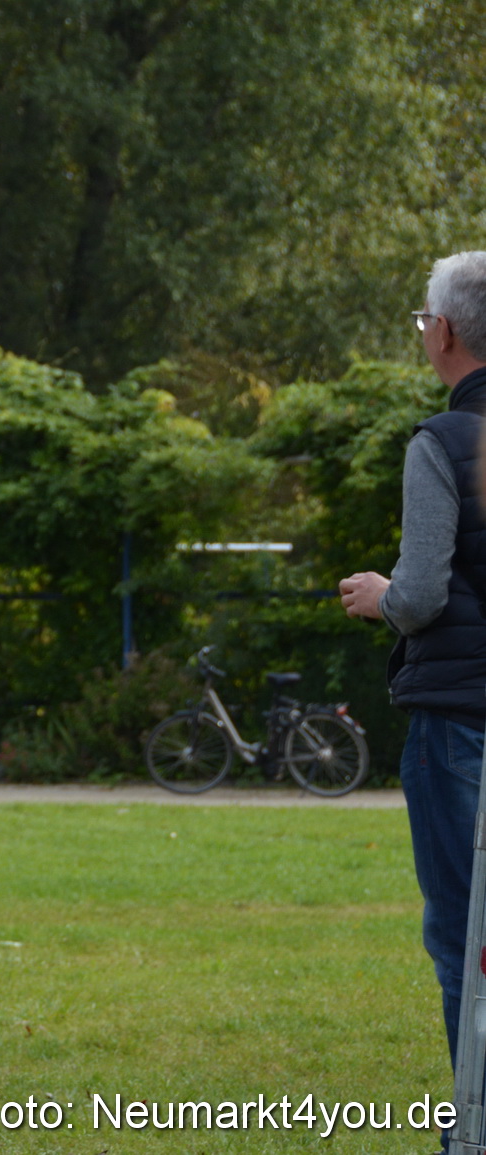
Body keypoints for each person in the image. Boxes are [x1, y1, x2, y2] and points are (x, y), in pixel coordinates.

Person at [339, 250, 486, 1093]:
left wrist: (382, 596)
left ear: (447, 334)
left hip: (461, 721)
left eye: (424, 319)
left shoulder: (441, 442)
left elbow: (425, 593)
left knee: (465, 933)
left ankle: (473, 1124)